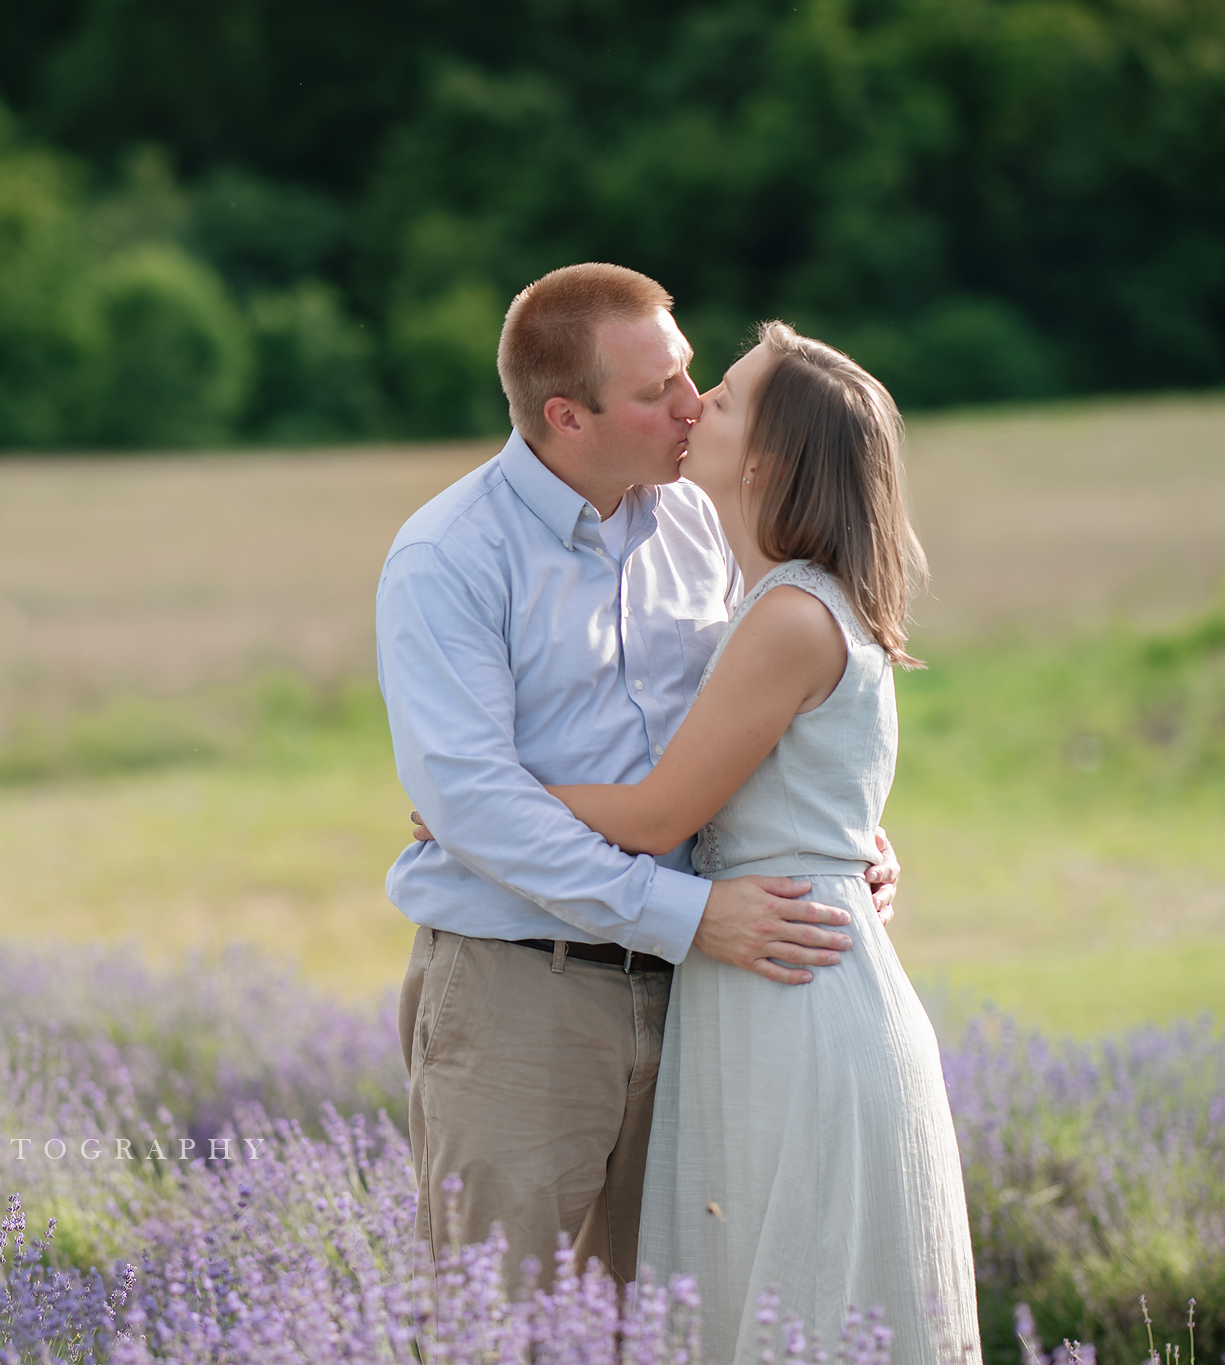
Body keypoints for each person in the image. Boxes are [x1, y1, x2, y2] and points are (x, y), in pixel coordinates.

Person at [375, 263, 899, 1288]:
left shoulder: (703, 521)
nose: (691, 404)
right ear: (568, 418)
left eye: (690, 373)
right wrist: (686, 914)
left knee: (659, 1330)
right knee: (494, 1328)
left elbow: (757, 724)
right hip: (526, 993)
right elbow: (473, 806)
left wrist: (843, 841)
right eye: (657, 389)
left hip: (708, 998)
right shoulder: (447, 557)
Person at [541, 322, 981, 1363]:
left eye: (723, 397)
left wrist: (482, 799)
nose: (692, 404)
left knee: (798, 1303)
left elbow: (657, 817)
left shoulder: (787, 612)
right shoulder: (778, 603)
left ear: (764, 461)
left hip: (791, 989)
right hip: (769, 972)